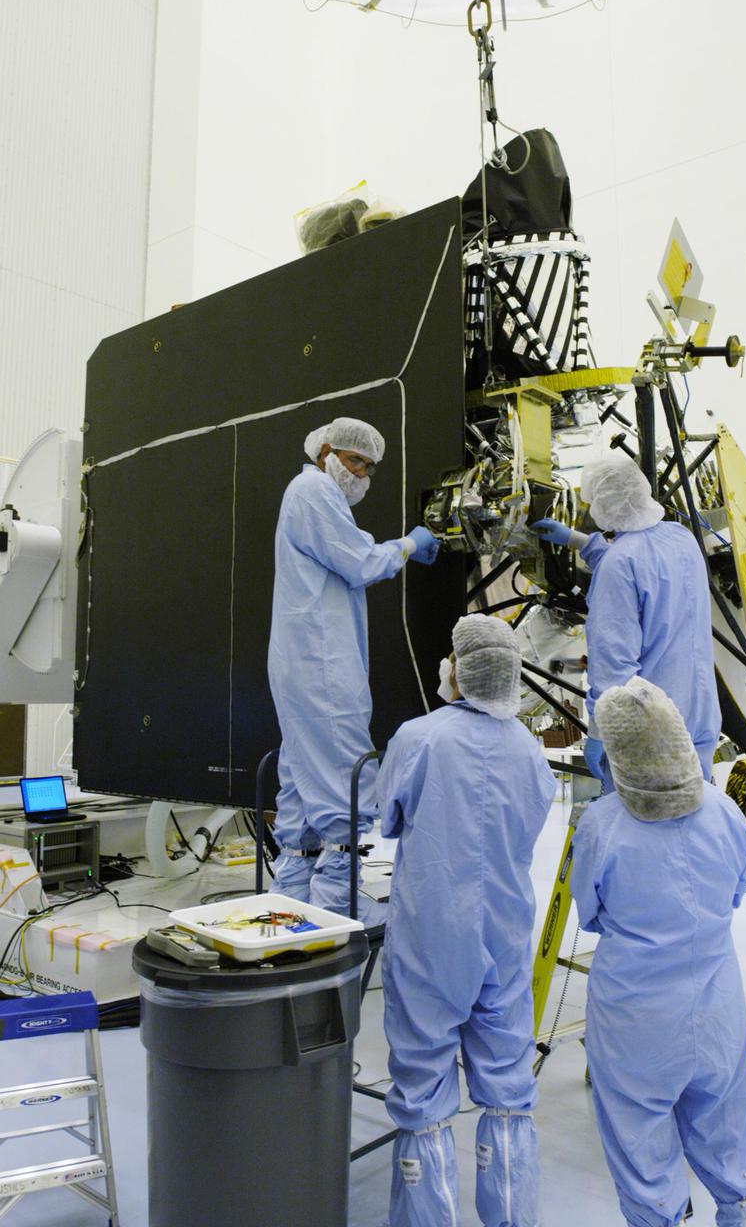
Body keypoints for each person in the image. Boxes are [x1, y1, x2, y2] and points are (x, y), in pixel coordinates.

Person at [570, 677, 746, 1227]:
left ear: (616, 752)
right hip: (717, 1009)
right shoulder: (726, 812)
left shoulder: (601, 826)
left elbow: (589, 915)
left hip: (635, 1018)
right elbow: (737, 892)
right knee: (728, 1126)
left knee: (640, 1141)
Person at [377, 614, 556, 1227]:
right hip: (503, 934)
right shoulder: (531, 752)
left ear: (457, 669)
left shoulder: (419, 737)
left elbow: (389, 818)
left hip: (431, 933)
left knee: (424, 1087)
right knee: (507, 1085)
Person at [267, 416, 439, 917]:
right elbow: (360, 562)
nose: (361, 473)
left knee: (302, 778)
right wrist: (408, 544)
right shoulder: (313, 490)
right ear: (325, 449)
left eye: (368, 467)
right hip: (320, 664)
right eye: (354, 460)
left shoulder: (311, 495)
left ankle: (289, 908)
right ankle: (331, 923)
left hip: (305, 661)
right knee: (344, 774)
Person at [534, 453, 721, 788]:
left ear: (604, 506)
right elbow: (643, 565)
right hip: (699, 707)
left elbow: (613, 663)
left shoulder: (619, 566)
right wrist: (576, 541)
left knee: (640, 823)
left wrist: (600, 731)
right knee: (694, 811)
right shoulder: (680, 537)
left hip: (650, 727)